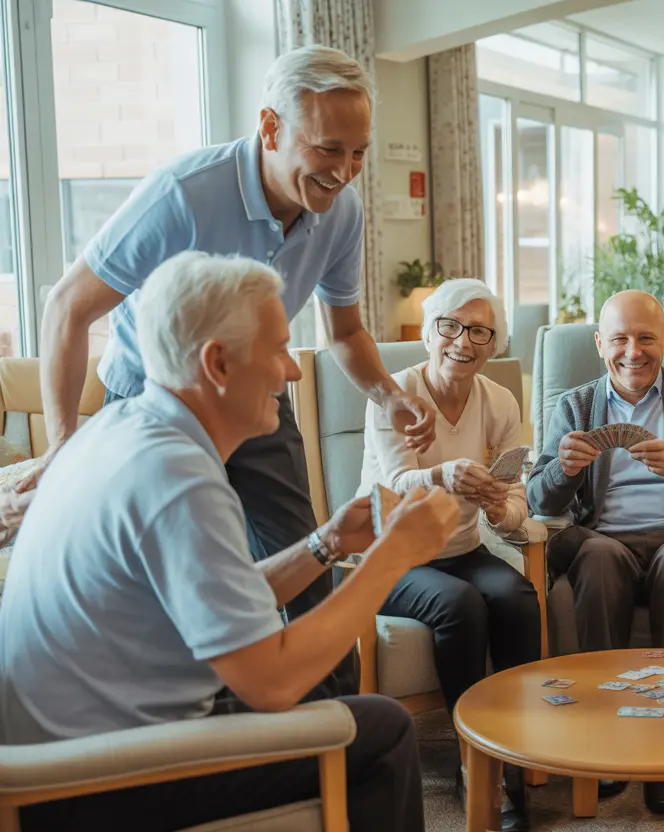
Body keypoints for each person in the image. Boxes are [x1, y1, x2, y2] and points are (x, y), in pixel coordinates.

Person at [0, 253, 460, 832]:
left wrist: (327, 543)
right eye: (277, 348)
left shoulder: (126, 432)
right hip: (89, 780)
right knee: (380, 729)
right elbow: (271, 682)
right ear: (217, 362)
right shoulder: (177, 477)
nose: (292, 372)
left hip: (57, 748)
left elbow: (221, 599)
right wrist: (394, 554)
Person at [28, 45, 437, 697]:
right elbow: (67, 307)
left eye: (358, 152)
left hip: (253, 399)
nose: (346, 172)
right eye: (329, 149)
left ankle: (341, 728)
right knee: (175, 578)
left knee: (311, 563)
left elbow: (346, 332)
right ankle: (208, 730)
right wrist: (61, 447)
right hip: (152, 401)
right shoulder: (184, 195)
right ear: (271, 127)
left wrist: (387, 397)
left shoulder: (342, 215)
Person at [527, 290, 664, 815]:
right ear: (599, 343)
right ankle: (605, 739)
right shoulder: (576, 405)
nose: (634, 351)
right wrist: (565, 469)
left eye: (646, 337)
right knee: (598, 557)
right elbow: (539, 499)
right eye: (620, 339)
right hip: (609, 541)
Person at [357, 278, 540, 832]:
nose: (464, 340)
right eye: (451, 326)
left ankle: (515, 753)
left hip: (460, 547)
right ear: (429, 333)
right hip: (392, 554)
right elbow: (392, 482)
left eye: (480, 331)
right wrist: (443, 473)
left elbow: (515, 499)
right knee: (460, 604)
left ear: (493, 344)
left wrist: (496, 509)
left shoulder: (500, 401)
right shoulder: (395, 395)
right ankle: (472, 761)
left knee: (517, 595)